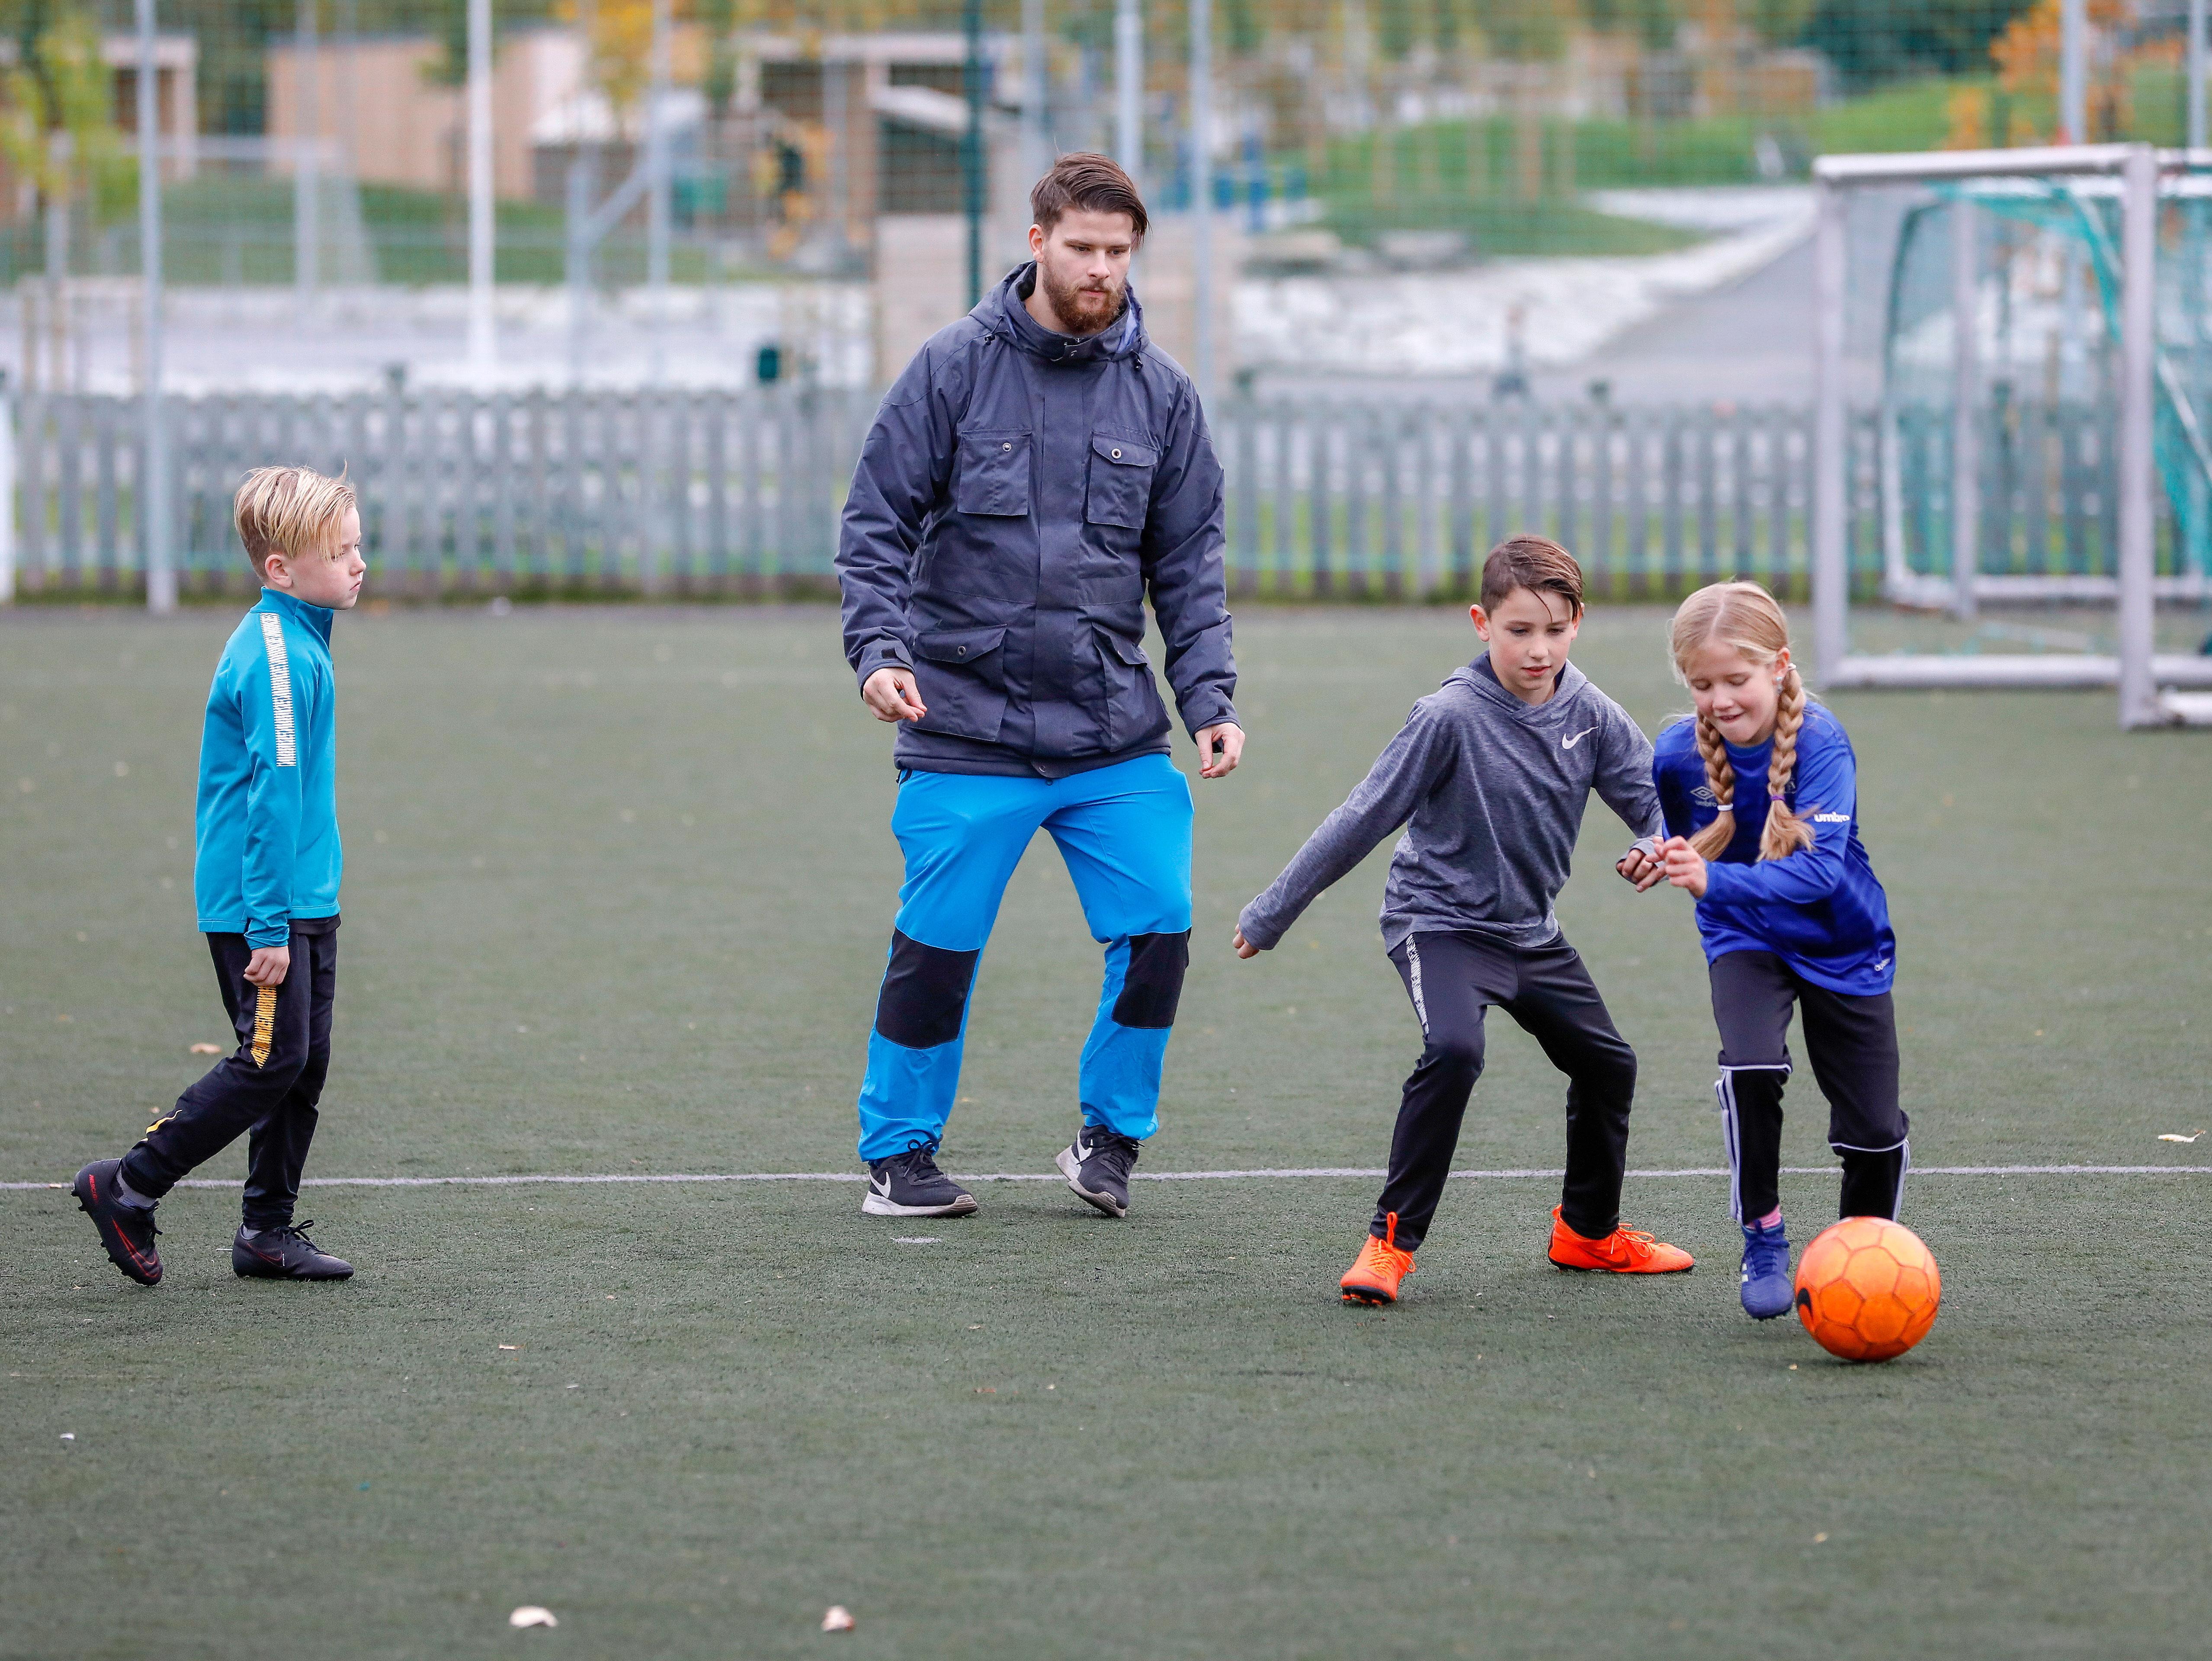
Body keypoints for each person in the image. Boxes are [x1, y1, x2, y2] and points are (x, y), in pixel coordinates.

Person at [835, 152, 1241, 1222]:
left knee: (1160, 927)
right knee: (939, 947)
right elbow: (875, 526)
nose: (1102, 269)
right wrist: (877, 652)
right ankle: (900, 1156)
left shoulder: (1162, 397)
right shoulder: (948, 371)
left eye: (1119, 252)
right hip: (964, 728)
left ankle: (1109, 1142)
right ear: (1037, 242)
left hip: (1111, 736)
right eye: (1083, 248)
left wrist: (1210, 699)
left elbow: (1189, 567)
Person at [1235, 535, 1693, 1304]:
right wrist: (1272, 912)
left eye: (1553, 630)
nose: (1538, 649)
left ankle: (1586, 1232)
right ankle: (1388, 1244)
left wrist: (1654, 841)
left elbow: (1653, 800)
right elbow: (1362, 816)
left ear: (1577, 622)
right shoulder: (1446, 716)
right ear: (1481, 623)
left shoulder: (1592, 712)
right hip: (1438, 924)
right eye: (1519, 631)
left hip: (1531, 936)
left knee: (1609, 1063)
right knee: (1454, 1048)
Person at [72, 466, 365, 1286]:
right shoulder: (276, 656)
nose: (357, 564)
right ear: (280, 569)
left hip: (303, 896)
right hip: (258, 904)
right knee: (270, 1058)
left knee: (303, 1063)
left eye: (356, 546)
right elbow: (271, 795)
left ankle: (266, 1233)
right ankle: (127, 1186)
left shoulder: (304, 641)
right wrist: (268, 928)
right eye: (339, 552)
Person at [1628, 580, 1906, 1321]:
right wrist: (1654, 853)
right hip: (1744, 937)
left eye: (1735, 680)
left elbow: (1818, 872)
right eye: (1701, 684)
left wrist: (1711, 876)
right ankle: (1763, 1235)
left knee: (1873, 1134)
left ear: (1779, 667)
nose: (1719, 699)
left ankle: (1865, 1250)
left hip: (1841, 940)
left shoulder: (1820, 741)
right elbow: (1673, 825)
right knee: (1750, 1065)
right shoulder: (1677, 754)